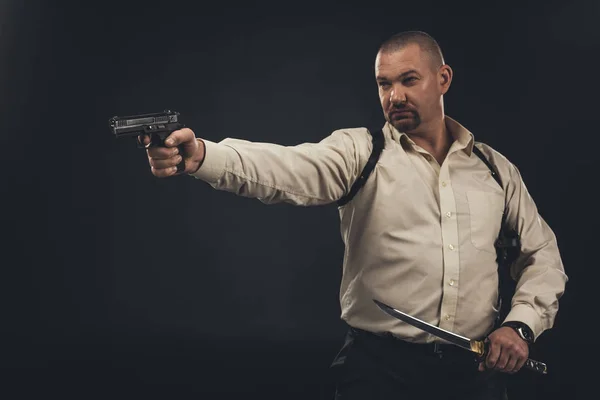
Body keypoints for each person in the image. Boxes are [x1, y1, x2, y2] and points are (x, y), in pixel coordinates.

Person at [141, 31, 568, 399]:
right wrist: (199, 156)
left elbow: (542, 256)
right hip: (380, 373)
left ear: (443, 79)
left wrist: (521, 327)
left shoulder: (494, 169)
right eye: (384, 84)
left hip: (475, 377)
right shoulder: (362, 153)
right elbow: (287, 167)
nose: (394, 96)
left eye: (408, 80)